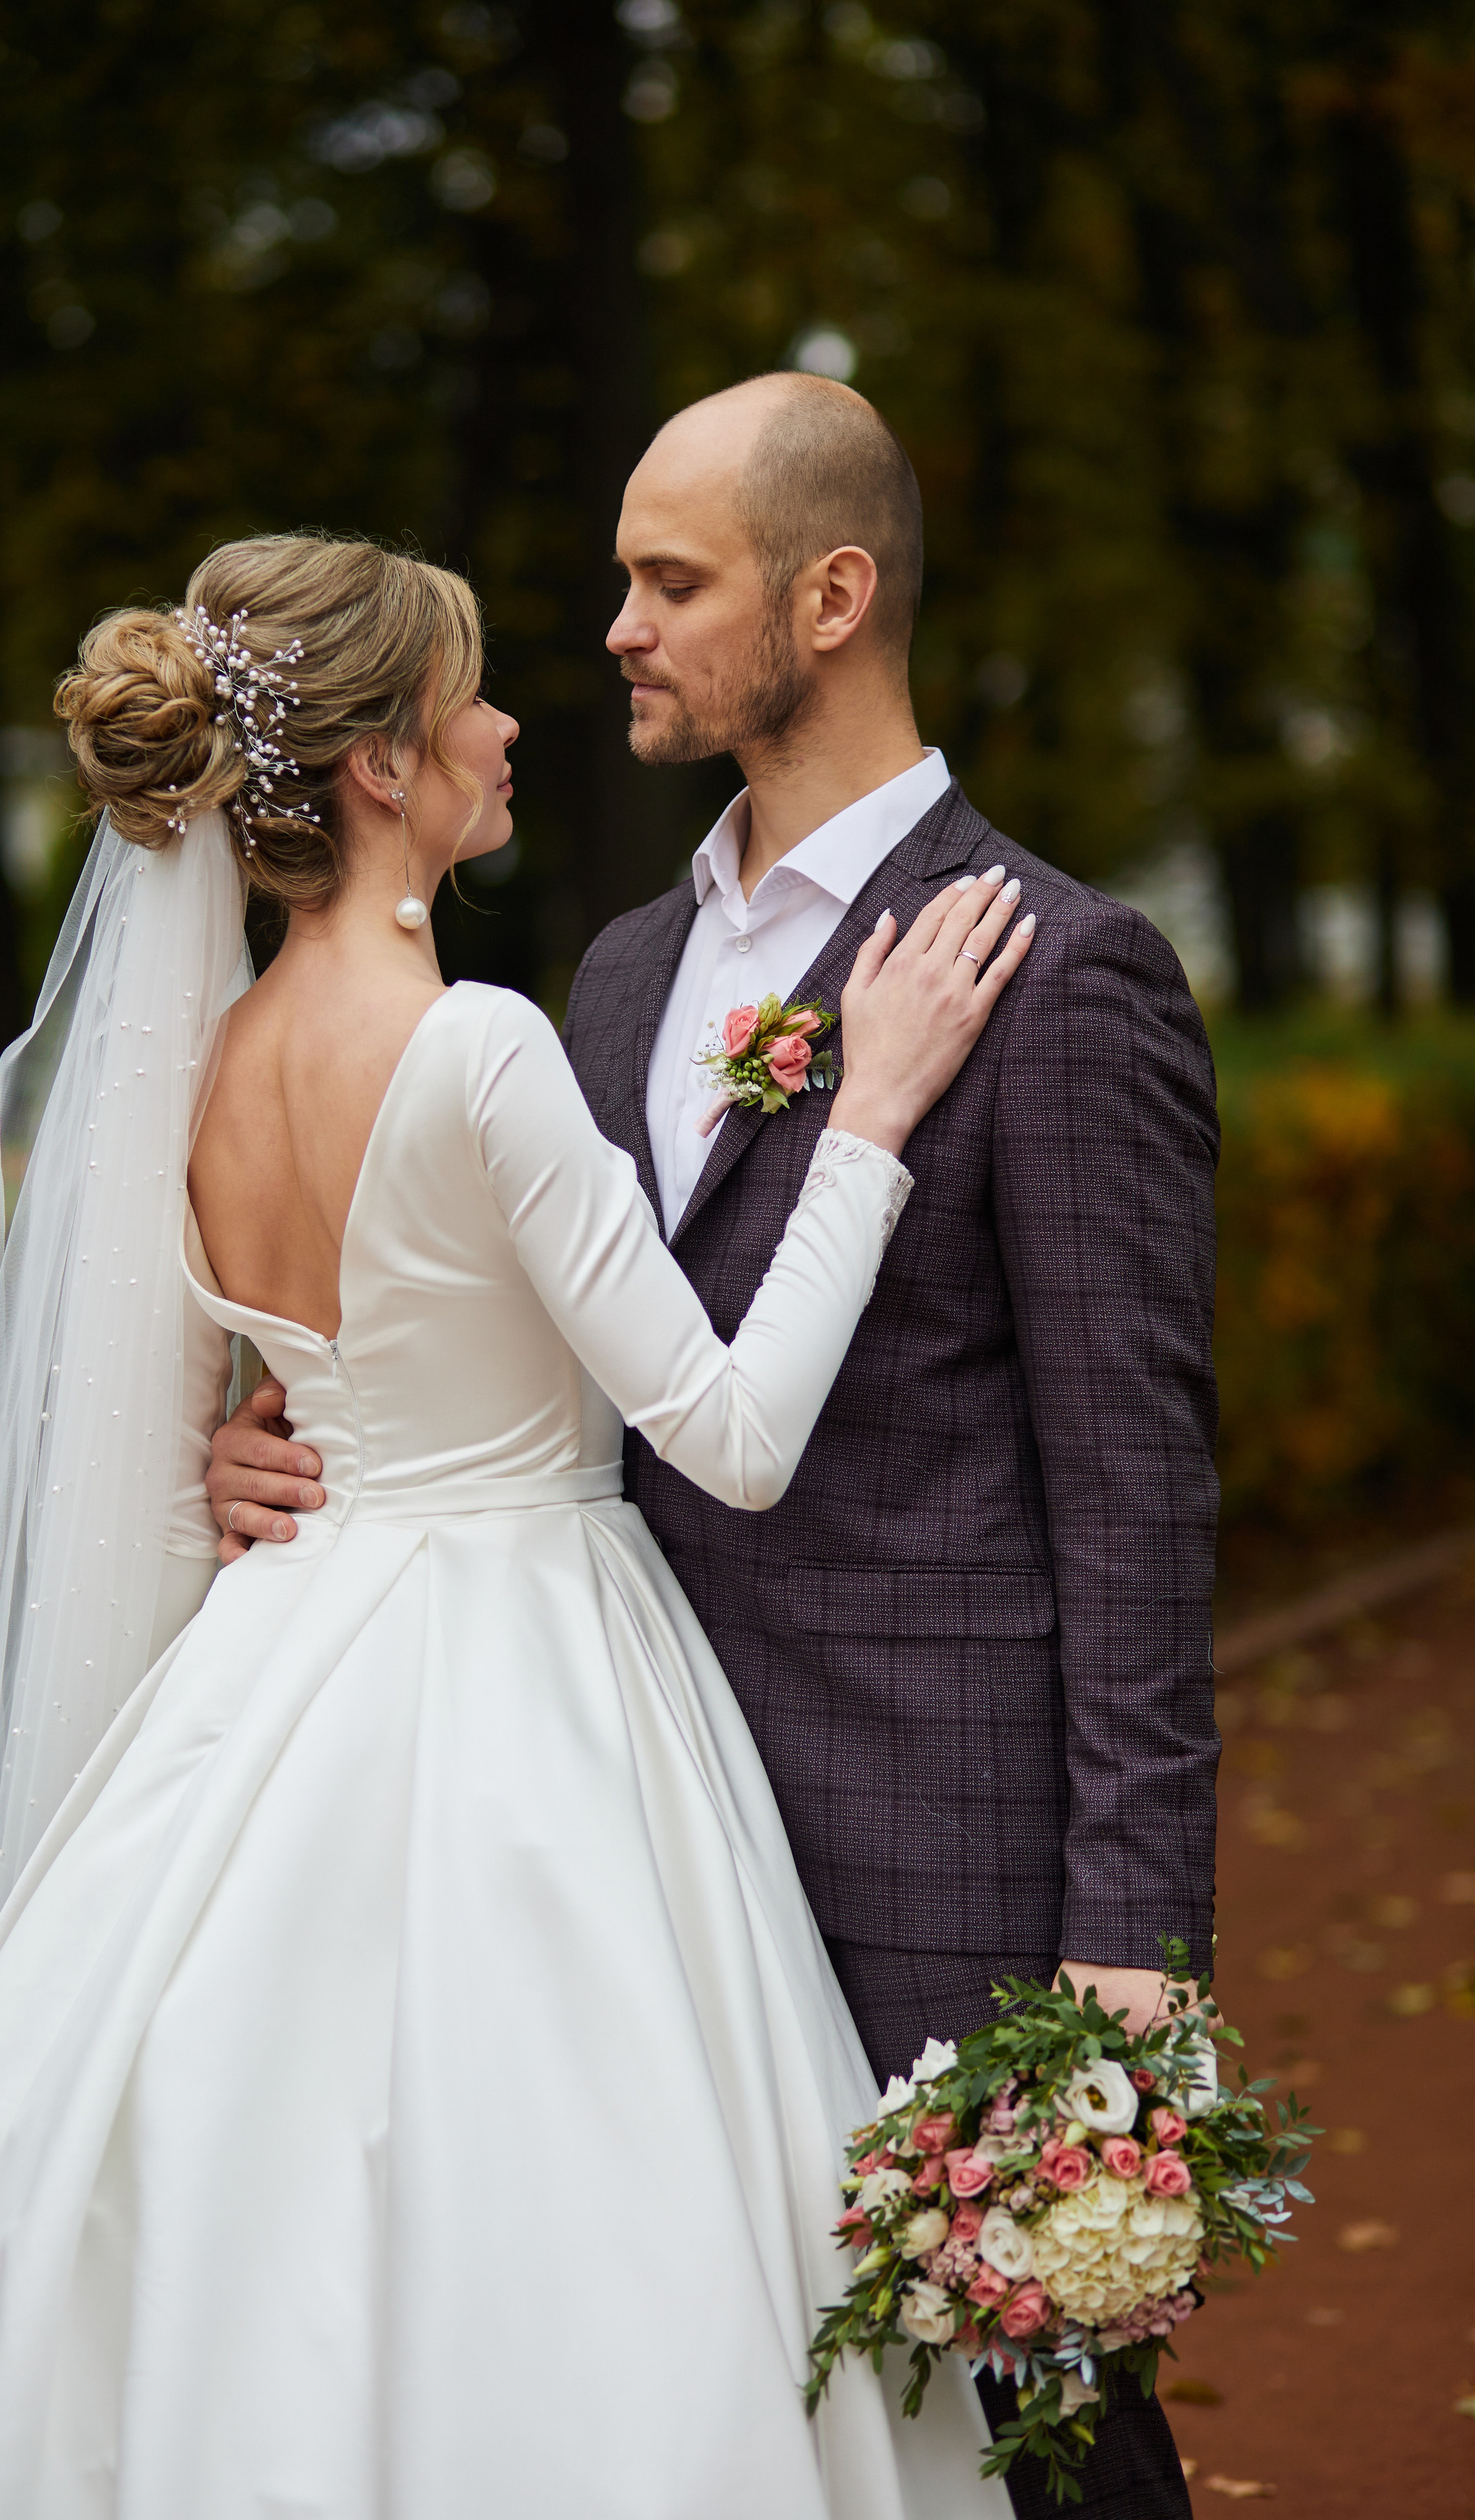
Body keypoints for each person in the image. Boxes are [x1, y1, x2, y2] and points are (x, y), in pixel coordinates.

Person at [0, 530, 1035, 2516]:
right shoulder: (476, 1046)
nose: (513, 719)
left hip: (275, 1666)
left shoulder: (191, 1074)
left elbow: (233, 1393)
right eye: (470, 692)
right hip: (530, 1656)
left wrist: (227, 1458)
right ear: (383, 764)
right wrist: (870, 1125)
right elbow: (725, 1433)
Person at [211, 378, 1222, 2519]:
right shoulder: (610, 976)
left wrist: (1132, 1938)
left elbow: (1139, 1503)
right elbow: (532, 1362)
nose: (618, 630)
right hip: (605, 1856)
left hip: (935, 1869)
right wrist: (284, 1446)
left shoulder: (1062, 975)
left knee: (1030, 2454)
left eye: (671, 581)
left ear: (831, 598)